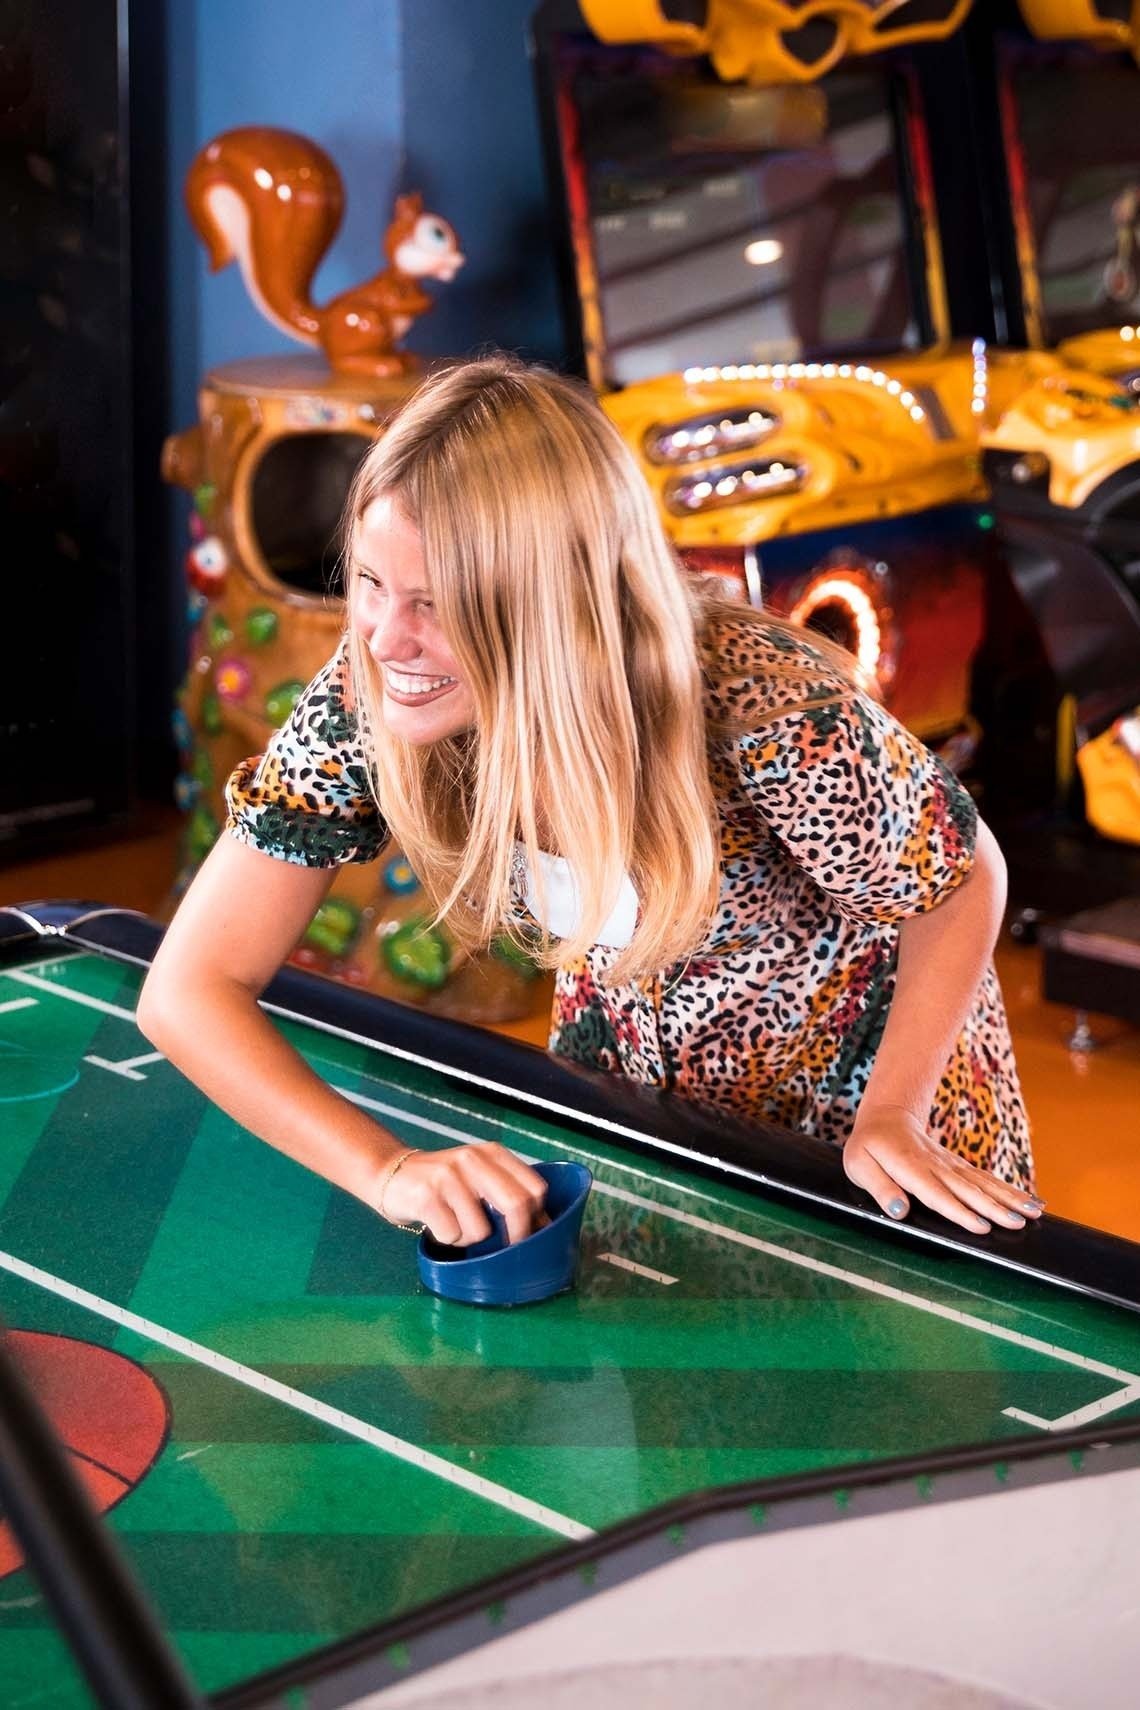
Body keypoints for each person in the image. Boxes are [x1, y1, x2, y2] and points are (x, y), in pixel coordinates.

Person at [139, 355, 1042, 1248]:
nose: (384, 638)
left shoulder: (755, 705)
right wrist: (386, 1170)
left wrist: (893, 1111)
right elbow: (189, 990)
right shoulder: (368, 692)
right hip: (634, 1132)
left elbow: (961, 879)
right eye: (370, 583)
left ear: (554, 603)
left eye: (436, 602)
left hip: (869, 1152)